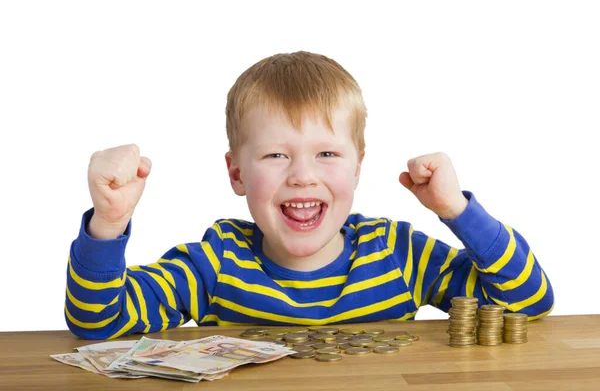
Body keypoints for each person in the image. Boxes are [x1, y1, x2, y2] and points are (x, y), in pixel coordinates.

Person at [65, 51, 554, 340]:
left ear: (358, 168)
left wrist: (458, 211)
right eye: (275, 156)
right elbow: (98, 324)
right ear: (236, 173)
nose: (302, 176)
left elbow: (529, 300)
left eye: (326, 154)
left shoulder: (399, 254)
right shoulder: (213, 264)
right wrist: (107, 226)